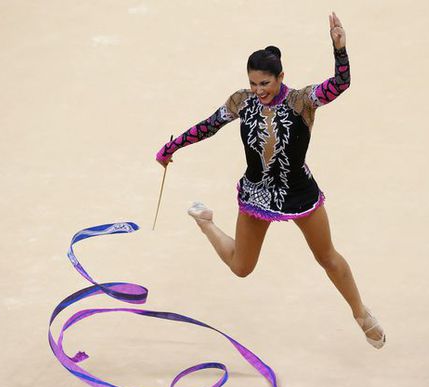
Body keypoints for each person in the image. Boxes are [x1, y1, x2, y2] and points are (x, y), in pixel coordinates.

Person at [155, 12, 385, 349]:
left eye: (264, 83)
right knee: (241, 268)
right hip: (257, 194)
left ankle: (361, 313)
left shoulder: (302, 101)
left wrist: (340, 49)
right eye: (253, 83)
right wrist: (173, 146)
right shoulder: (242, 101)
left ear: (281, 77)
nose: (258, 90)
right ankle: (206, 223)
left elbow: (340, 84)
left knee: (327, 257)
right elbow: (209, 125)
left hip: (299, 192)